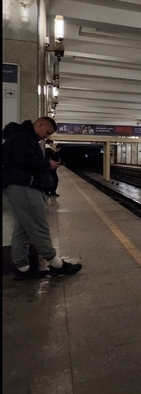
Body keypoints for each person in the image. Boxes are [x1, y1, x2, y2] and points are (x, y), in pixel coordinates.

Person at [2, 117, 83, 279]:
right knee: (40, 227)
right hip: (25, 186)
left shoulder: (22, 136)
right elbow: (25, 160)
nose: (46, 136)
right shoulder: (23, 137)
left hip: (21, 186)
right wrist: (47, 164)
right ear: (40, 124)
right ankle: (56, 265)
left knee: (23, 229)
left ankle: (22, 268)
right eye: (47, 132)